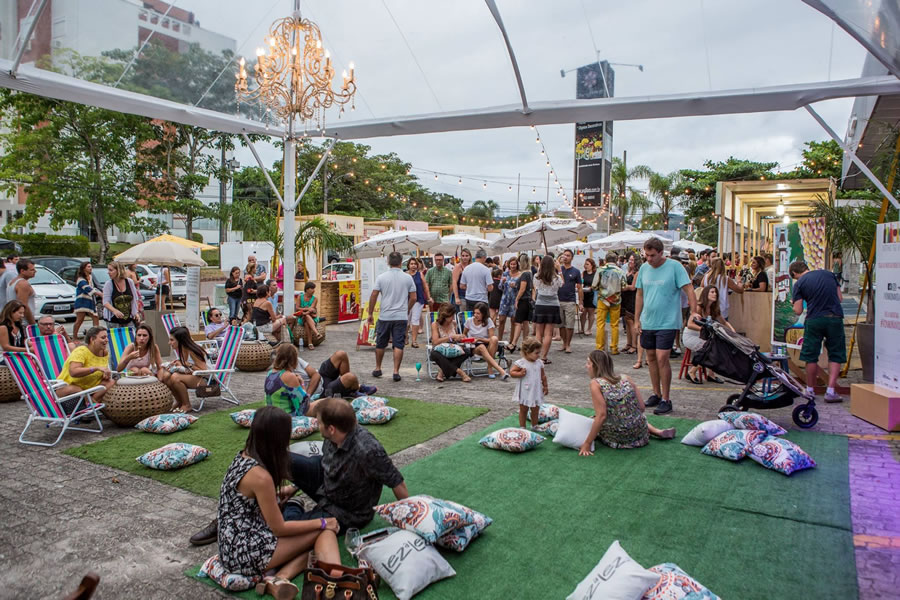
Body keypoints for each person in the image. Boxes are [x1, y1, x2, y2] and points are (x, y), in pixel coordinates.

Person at [216, 406, 340, 598]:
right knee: (323, 531)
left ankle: (278, 578)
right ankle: (337, 582)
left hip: (229, 546)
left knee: (310, 543)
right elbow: (279, 529)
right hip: (245, 552)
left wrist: (279, 496)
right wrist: (324, 522)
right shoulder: (261, 477)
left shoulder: (243, 456)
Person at [634, 237, 697, 415]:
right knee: (651, 357)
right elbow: (639, 294)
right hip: (648, 320)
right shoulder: (644, 268)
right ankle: (656, 393)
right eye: (646, 255)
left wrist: (693, 311)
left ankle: (666, 398)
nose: (649, 259)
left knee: (663, 358)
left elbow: (689, 289)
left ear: (662, 253)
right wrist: (637, 319)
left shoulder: (675, 267)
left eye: (652, 255)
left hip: (668, 321)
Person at [578, 350, 676, 455]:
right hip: (640, 433)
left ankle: (654, 431)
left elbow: (602, 415)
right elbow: (641, 407)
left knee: (593, 419)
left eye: (588, 363)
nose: (586, 366)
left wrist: (587, 443)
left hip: (619, 438)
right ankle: (657, 431)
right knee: (629, 416)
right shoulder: (626, 378)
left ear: (596, 366)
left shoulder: (596, 384)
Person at [790, 260, 845, 403]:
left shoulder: (799, 283)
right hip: (834, 318)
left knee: (811, 355)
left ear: (795, 273)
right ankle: (831, 391)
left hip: (814, 320)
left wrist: (793, 304)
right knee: (836, 354)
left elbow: (798, 310)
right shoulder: (829, 274)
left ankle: (810, 389)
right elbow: (840, 298)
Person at [367, 251, 416, 381]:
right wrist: (407, 309)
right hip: (401, 316)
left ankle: (378, 368)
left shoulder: (381, 277)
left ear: (388, 262)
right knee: (398, 343)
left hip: (385, 316)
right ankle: (395, 371)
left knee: (381, 343)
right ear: (401, 262)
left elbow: (373, 295)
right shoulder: (408, 278)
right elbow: (413, 297)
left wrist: (370, 313)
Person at [682, 285, 733, 384]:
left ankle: (711, 374)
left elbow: (724, 322)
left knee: (718, 346)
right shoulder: (699, 307)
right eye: (712, 292)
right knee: (711, 349)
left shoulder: (714, 309)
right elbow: (689, 324)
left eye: (716, 292)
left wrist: (731, 330)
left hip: (703, 336)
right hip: (691, 336)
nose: (715, 294)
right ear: (706, 294)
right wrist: (704, 328)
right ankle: (692, 372)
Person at [56, 326, 115, 403]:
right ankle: (93, 405)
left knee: (110, 382)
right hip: (67, 388)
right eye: (103, 337)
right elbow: (73, 372)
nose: (107, 340)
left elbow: (102, 371)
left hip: (89, 389)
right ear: (92, 339)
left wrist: (105, 374)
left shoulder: (104, 352)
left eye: (107, 337)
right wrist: (96, 368)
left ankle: (90, 404)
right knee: (77, 389)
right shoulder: (81, 351)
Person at [265, 345, 326, 418]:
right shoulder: (289, 376)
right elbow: (304, 405)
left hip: (271, 413)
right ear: (293, 360)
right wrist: (302, 383)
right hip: (287, 415)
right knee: (327, 403)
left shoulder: (270, 373)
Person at [160, 326, 210, 413]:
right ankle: (180, 402)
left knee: (175, 377)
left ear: (180, 340)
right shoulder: (182, 350)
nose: (169, 342)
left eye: (172, 340)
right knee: (166, 376)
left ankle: (187, 405)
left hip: (206, 380)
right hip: (193, 377)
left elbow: (204, 371)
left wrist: (187, 364)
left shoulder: (193, 350)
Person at [294, 349, 372, 399]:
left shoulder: (296, 359)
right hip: (323, 391)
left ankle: (350, 388)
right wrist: (308, 396)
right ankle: (352, 389)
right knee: (351, 377)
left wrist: (307, 394)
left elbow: (316, 374)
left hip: (322, 376)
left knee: (341, 354)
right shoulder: (285, 374)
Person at [462, 301, 510, 379]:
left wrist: (479, 339)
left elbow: (490, 339)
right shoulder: (469, 321)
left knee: (494, 338)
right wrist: (466, 339)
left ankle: (490, 367)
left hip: (487, 346)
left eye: (478, 313)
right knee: (481, 347)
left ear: (483, 314)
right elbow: (463, 335)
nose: (475, 315)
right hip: (474, 347)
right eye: (475, 313)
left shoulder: (488, 321)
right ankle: (499, 370)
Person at [509, 337, 547, 428]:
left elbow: (543, 375)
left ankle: (535, 425)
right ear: (527, 352)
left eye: (539, 352)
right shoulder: (521, 363)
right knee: (523, 409)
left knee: (535, 409)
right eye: (536, 353)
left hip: (536, 389)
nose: (538, 355)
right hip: (525, 390)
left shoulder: (539, 363)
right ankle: (523, 426)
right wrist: (520, 373)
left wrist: (545, 386)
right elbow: (512, 372)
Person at [429, 305, 472, 383]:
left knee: (468, 351)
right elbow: (435, 342)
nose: (453, 318)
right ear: (445, 316)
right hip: (440, 350)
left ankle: (442, 372)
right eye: (451, 316)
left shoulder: (454, 323)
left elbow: (455, 340)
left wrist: (460, 338)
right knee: (433, 354)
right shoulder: (435, 324)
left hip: (453, 348)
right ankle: (460, 372)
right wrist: (450, 337)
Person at [531, 255, 562, 364]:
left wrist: (539, 269)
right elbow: (561, 285)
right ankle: (544, 357)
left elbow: (536, 286)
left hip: (540, 304)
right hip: (553, 305)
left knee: (539, 333)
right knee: (548, 333)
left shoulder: (537, 276)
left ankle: (537, 355)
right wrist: (559, 270)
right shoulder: (557, 278)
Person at [594, 254, 625, 354]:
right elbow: (624, 286)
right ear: (616, 260)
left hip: (603, 299)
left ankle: (599, 347)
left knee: (600, 324)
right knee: (615, 325)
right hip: (616, 300)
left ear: (606, 260)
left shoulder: (600, 270)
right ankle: (614, 348)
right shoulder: (620, 271)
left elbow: (594, 286)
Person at [556, 249, 582, 353]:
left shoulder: (576, 271)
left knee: (570, 324)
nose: (565, 257)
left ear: (572, 258)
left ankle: (568, 344)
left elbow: (579, 287)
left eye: (568, 255)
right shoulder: (558, 269)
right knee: (561, 324)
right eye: (564, 255)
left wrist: (580, 302)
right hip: (558, 300)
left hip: (570, 300)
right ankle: (564, 342)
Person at [102, 262, 140, 329]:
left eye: (111, 270)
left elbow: (134, 299)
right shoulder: (108, 284)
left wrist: (135, 312)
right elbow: (105, 302)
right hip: (114, 320)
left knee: (131, 338)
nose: (108, 272)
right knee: (116, 338)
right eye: (108, 270)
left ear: (119, 270)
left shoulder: (129, 282)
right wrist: (114, 311)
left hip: (129, 318)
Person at [510, 253, 534, 351]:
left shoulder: (524, 274)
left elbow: (523, 288)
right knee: (525, 322)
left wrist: (517, 299)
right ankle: (525, 343)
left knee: (518, 322)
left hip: (523, 300)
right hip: (528, 300)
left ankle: (514, 343)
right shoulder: (530, 272)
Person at [406, 257, 431, 349]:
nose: (413, 265)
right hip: (406, 300)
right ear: (408, 265)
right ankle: (405, 336)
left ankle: (414, 340)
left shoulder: (420, 274)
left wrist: (428, 297)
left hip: (418, 299)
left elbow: (425, 287)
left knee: (415, 319)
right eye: (411, 264)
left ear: (417, 265)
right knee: (406, 319)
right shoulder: (405, 275)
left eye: (415, 264)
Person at [497, 256, 522, 344]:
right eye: (511, 264)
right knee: (501, 320)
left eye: (514, 264)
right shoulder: (505, 274)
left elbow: (521, 288)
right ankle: (499, 341)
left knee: (513, 321)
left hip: (514, 299)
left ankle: (511, 342)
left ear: (517, 264)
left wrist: (515, 286)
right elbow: (500, 287)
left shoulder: (520, 275)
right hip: (505, 299)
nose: (512, 266)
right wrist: (503, 282)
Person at [73, 262, 102, 339]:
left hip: (90, 301)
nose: (90, 268)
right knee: (80, 319)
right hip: (82, 301)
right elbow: (87, 288)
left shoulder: (90, 277)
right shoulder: (80, 279)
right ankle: (74, 337)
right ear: (84, 268)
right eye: (88, 267)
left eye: (91, 266)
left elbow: (92, 288)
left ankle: (96, 335)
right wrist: (99, 294)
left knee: (95, 317)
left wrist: (98, 292)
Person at [8, 259, 37, 325]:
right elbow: (23, 305)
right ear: (22, 271)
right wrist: (33, 324)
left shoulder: (12, 282)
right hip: (23, 322)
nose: (35, 271)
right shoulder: (23, 284)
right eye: (32, 270)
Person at [621, 253, 640, 357]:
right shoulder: (628, 271)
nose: (630, 261)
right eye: (629, 260)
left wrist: (623, 287)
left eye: (632, 260)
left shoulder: (637, 272)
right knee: (627, 321)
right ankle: (628, 343)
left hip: (633, 298)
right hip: (626, 298)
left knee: (631, 321)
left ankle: (634, 345)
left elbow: (633, 287)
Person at [294, 281, 319, 350]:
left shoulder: (315, 299)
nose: (314, 290)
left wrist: (304, 312)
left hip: (311, 317)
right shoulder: (300, 297)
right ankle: (316, 333)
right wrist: (307, 309)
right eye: (312, 288)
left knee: (306, 321)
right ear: (307, 289)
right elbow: (297, 308)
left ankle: (310, 343)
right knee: (306, 318)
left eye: (314, 289)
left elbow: (311, 309)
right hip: (301, 317)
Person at [579, 258, 597, 336]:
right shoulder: (583, 273)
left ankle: (589, 329)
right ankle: (582, 328)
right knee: (583, 312)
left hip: (592, 294)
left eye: (587, 264)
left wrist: (592, 287)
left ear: (592, 265)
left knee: (591, 312)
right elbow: (580, 282)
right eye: (585, 264)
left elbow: (596, 284)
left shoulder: (595, 274)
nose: (585, 266)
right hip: (584, 293)